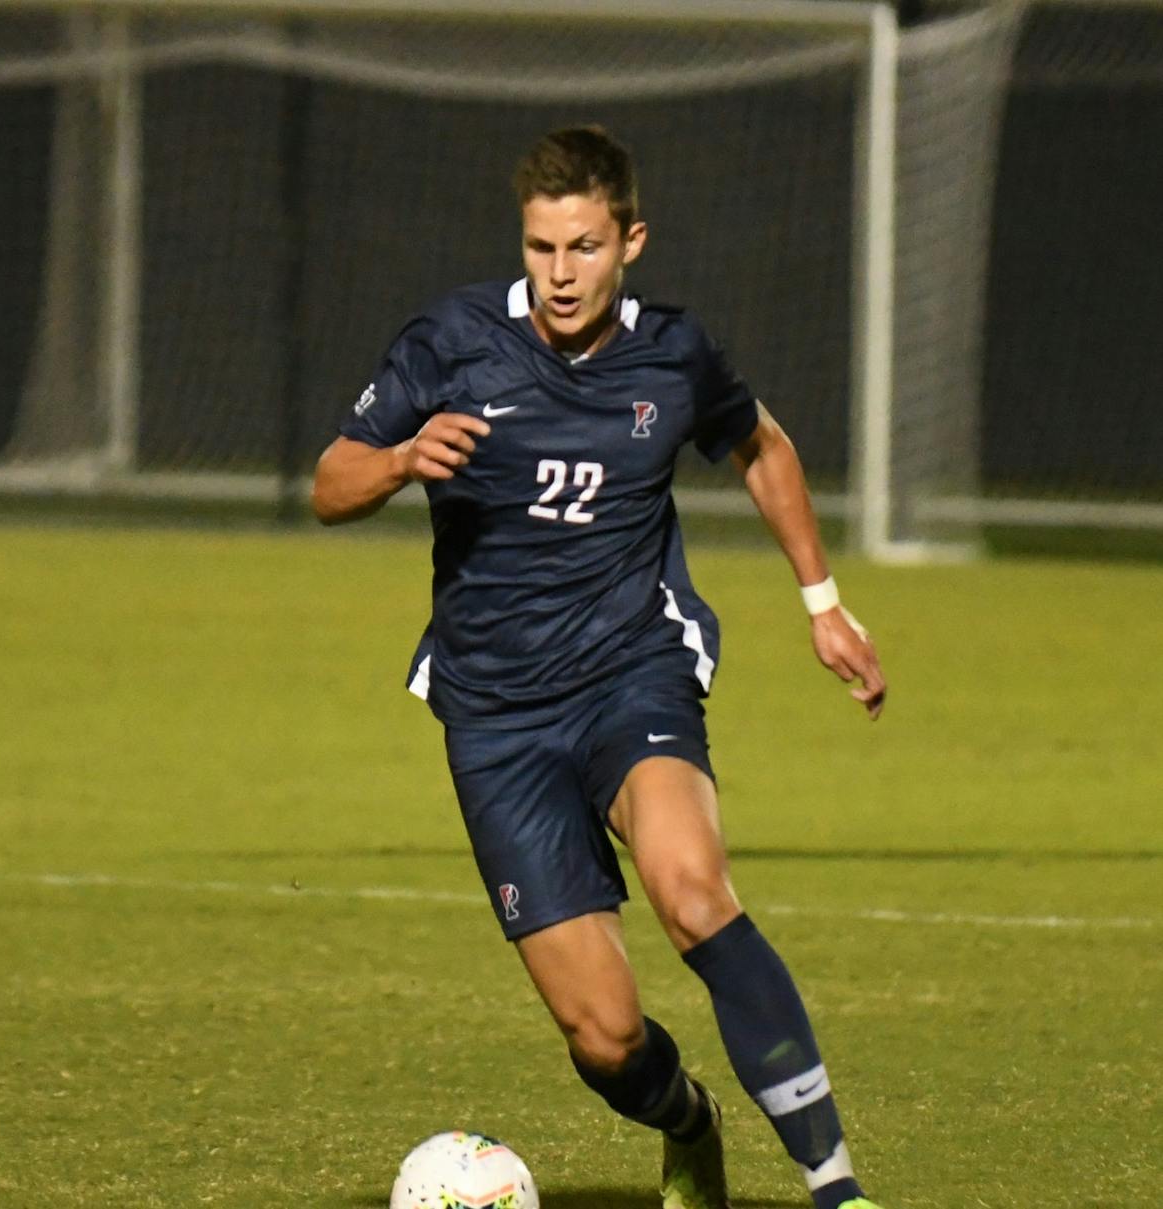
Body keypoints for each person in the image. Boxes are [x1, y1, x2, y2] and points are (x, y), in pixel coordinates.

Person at [312, 126, 888, 1209]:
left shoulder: (671, 354)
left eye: (581, 247)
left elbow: (757, 444)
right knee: (605, 1036)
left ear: (628, 240)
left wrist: (822, 604)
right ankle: (688, 1122)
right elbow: (328, 483)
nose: (559, 274)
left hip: (631, 672)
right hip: (493, 718)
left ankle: (836, 1189)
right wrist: (396, 459)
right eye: (539, 249)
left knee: (689, 890)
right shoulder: (450, 340)